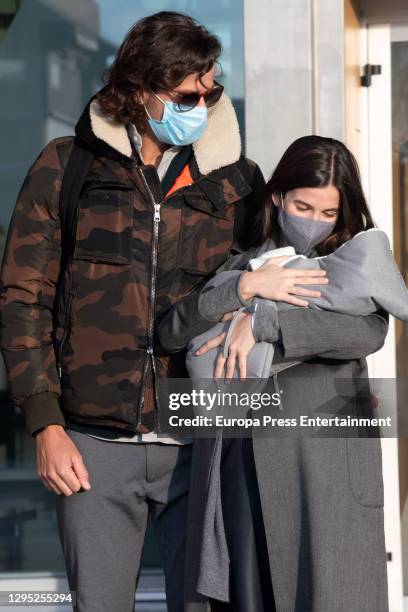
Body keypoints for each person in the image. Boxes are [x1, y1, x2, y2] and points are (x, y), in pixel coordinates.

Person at [0, 11, 324, 612]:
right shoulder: (67, 166)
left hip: (203, 440)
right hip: (92, 443)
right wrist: (46, 424)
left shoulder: (236, 181)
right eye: (185, 93)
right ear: (139, 89)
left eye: (210, 91)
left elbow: (276, 277)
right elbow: (23, 299)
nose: (201, 103)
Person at [158, 136, 390, 611]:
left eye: (328, 213)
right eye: (303, 205)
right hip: (242, 460)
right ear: (278, 197)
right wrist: (247, 288)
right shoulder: (239, 257)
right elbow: (173, 331)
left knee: (328, 592)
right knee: (251, 593)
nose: (314, 222)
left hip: (325, 469)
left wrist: (261, 322)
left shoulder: (352, 264)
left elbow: (368, 333)